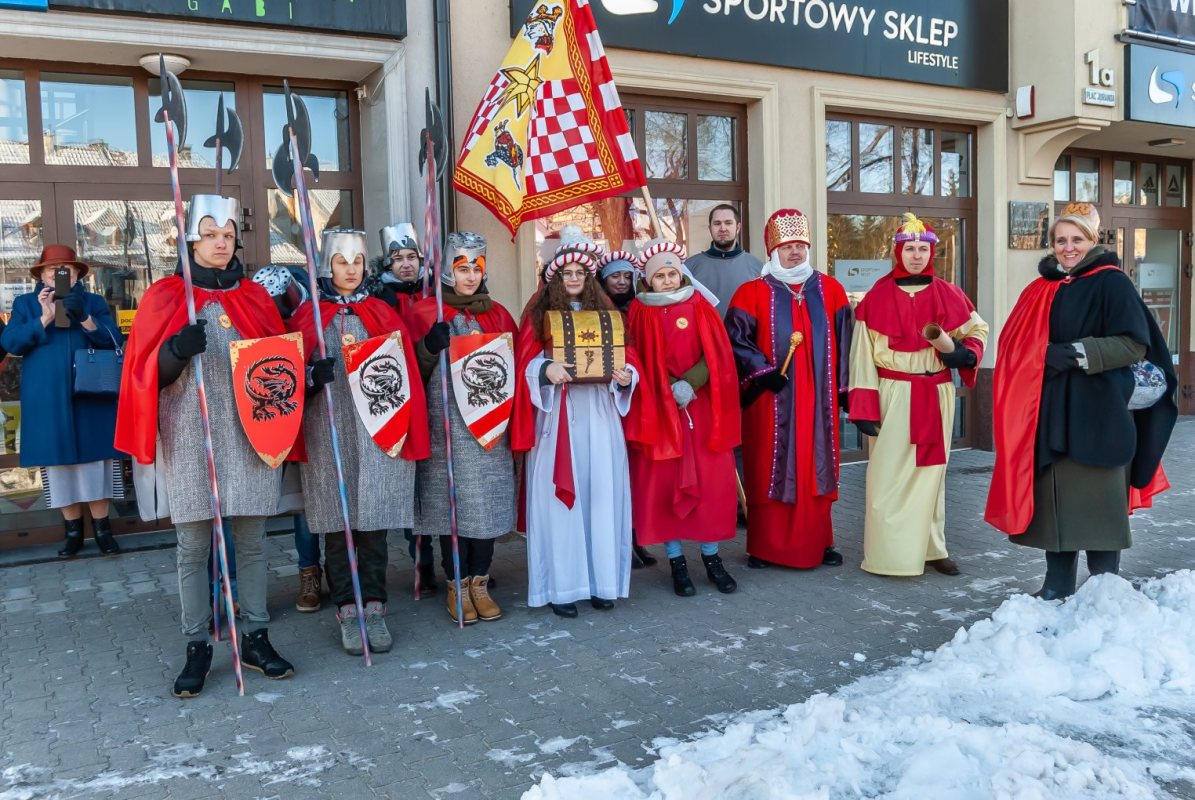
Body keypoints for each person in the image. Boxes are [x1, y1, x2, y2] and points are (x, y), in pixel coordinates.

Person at [116, 194, 295, 698]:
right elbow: (142, 375)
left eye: (228, 235)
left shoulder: (255, 299)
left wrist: (307, 378)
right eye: (211, 234)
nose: (221, 243)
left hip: (250, 434)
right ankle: (197, 644)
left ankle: (255, 636)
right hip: (189, 434)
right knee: (193, 547)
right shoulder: (165, 296)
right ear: (191, 240)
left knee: (253, 542)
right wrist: (174, 352)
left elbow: (277, 366)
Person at [985, 203, 1176, 599]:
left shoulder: (1112, 283)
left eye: (1076, 239)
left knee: (1099, 501)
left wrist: (1076, 353)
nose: (1068, 247)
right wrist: (1038, 356)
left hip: (1099, 412)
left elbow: (1134, 343)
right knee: (1056, 502)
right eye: (1060, 240)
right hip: (1051, 411)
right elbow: (1015, 344)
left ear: (1091, 240)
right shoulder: (1041, 288)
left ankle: (1105, 593)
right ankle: (1056, 585)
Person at [289, 229, 429, 655]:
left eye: (357, 262)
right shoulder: (309, 315)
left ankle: (375, 606)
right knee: (338, 527)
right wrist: (311, 377)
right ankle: (347, 610)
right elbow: (285, 375)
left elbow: (404, 370)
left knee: (374, 526)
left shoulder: (382, 311)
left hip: (377, 432)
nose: (350, 270)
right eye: (341, 262)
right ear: (327, 265)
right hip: (327, 430)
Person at [848, 214, 989, 577]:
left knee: (931, 474)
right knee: (887, 475)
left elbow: (978, 329)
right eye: (909, 249)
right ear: (898, 252)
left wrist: (966, 353)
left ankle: (932, 548)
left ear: (931, 253)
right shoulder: (877, 297)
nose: (916, 255)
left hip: (935, 392)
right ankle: (888, 554)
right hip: (892, 393)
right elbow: (861, 355)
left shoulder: (949, 293)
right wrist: (863, 406)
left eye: (922, 249)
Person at [512, 239, 644, 618]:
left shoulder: (608, 315)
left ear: (589, 278)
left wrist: (626, 376)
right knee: (559, 504)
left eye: (580, 273)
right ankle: (563, 586)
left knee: (602, 495)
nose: (573, 278)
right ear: (555, 279)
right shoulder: (538, 315)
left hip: (601, 414)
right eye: (567, 273)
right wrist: (544, 369)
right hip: (557, 415)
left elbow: (629, 359)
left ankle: (602, 583)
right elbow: (524, 362)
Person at [726, 209, 852, 570]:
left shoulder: (831, 290)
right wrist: (763, 372)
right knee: (768, 467)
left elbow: (847, 342)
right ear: (772, 250)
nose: (795, 252)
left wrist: (845, 389)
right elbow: (735, 340)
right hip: (770, 400)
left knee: (816, 468)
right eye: (786, 247)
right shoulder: (751, 292)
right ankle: (764, 547)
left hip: (819, 401)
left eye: (800, 246)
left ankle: (821, 541)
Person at [407, 232, 518, 625]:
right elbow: (409, 375)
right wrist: (427, 347)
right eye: (462, 268)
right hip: (445, 427)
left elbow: (512, 370)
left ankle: (480, 583)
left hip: (488, 428)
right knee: (451, 507)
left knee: (485, 505)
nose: (470, 276)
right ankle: (456, 584)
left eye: (477, 268)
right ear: (447, 272)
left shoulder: (498, 315)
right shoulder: (425, 312)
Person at [625, 241, 741, 596]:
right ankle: (676, 561)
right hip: (661, 410)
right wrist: (667, 386)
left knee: (709, 483)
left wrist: (690, 383)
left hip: (700, 407)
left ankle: (712, 557)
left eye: (672, 273)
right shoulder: (638, 311)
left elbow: (716, 352)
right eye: (659, 276)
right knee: (665, 483)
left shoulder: (698, 304)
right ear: (648, 280)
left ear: (681, 274)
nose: (667, 280)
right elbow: (636, 356)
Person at [2, 245, 124, 558]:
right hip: (47, 396)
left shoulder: (93, 301)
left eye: (66, 270)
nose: (59, 275)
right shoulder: (25, 304)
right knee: (58, 465)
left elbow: (114, 340)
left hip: (91, 394)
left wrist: (84, 317)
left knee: (96, 462)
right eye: (52, 269)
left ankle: (103, 531)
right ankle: (72, 533)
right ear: (41, 275)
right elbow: (11, 342)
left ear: (77, 274)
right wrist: (43, 318)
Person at [250, 264, 322, 612]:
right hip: (269, 420)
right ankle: (241, 587)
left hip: (311, 422)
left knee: (306, 504)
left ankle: (312, 573)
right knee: (251, 508)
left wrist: (314, 376)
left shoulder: (313, 316)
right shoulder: (252, 319)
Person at [597, 249, 657, 569]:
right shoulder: (600, 310)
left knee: (636, 476)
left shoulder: (641, 307)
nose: (621, 282)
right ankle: (621, 542)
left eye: (626, 276)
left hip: (639, 395)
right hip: (611, 400)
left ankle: (635, 538)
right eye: (614, 276)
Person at [685, 204, 763, 316]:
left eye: (728, 223)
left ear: (738, 227)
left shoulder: (758, 268)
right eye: (717, 223)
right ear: (710, 228)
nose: (722, 229)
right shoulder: (689, 267)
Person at [372, 223, 425, 321]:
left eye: (411, 257)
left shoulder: (433, 288)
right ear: (389, 265)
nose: (406, 265)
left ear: (419, 260)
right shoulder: (378, 296)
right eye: (398, 259)